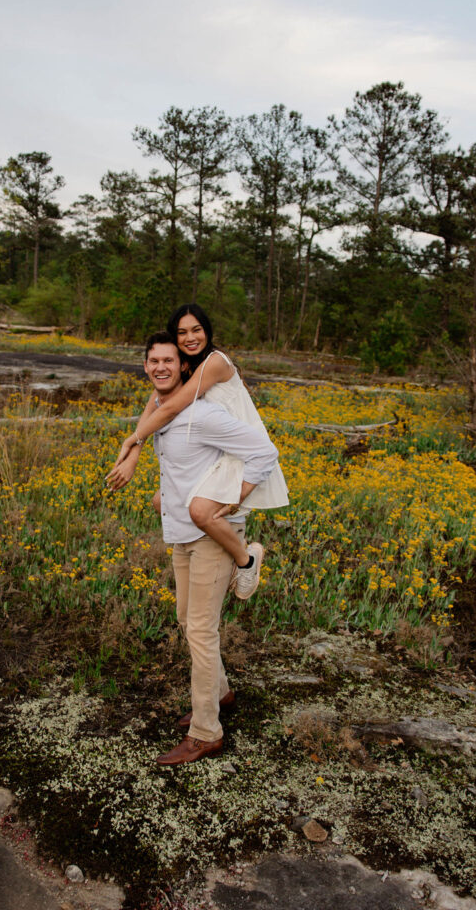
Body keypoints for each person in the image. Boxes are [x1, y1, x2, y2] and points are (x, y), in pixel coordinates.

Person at [134, 331, 279, 765]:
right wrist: (165, 493)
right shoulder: (162, 412)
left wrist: (236, 496)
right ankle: (222, 693)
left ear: (183, 368)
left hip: (211, 538)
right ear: (146, 367)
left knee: (200, 630)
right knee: (184, 619)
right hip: (181, 534)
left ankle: (206, 732)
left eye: (169, 360)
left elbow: (264, 450)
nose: (161, 366)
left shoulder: (203, 414)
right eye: (153, 360)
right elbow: (180, 461)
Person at [107, 303, 288, 599]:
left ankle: (245, 561)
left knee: (200, 511)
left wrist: (132, 439)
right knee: (160, 500)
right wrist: (136, 448)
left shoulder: (215, 362)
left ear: (207, 330)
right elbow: (156, 401)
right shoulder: (189, 365)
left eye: (196, 329)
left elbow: (174, 407)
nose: (190, 337)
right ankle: (223, 557)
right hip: (214, 447)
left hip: (238, 450)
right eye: (181, 332)